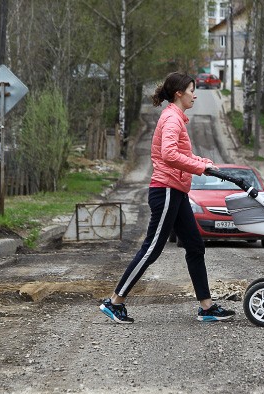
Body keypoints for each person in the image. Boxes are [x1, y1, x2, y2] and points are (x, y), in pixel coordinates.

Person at [99, 72, 235, 323]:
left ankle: (206, 307)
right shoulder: (172, 119)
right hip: (167, 190)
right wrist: (199, 167)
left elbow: (179, 154)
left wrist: (203, 162)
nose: (196, 94)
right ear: (179, 94)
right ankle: (115, 301)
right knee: (152, 248)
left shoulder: (175, 119)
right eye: (192, 90)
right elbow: (169, 155)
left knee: (194, 245)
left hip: (177, 190)